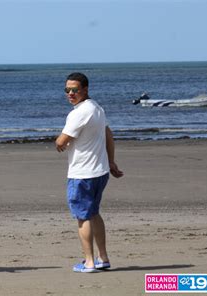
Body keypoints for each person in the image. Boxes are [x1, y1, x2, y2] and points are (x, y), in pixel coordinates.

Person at [55, 72, 124, 273]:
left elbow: (62, 140)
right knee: (93, 213)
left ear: (85, 89)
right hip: (100, 171)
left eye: (74, 90)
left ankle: (89, 261)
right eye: (67, 90)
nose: (70, 94)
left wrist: (59, 144)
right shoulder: (97, 108)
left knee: (83, 216)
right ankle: (103, 258)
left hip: (83, 173)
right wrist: (111, 161)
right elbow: (108, 135)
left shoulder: (79, 113)